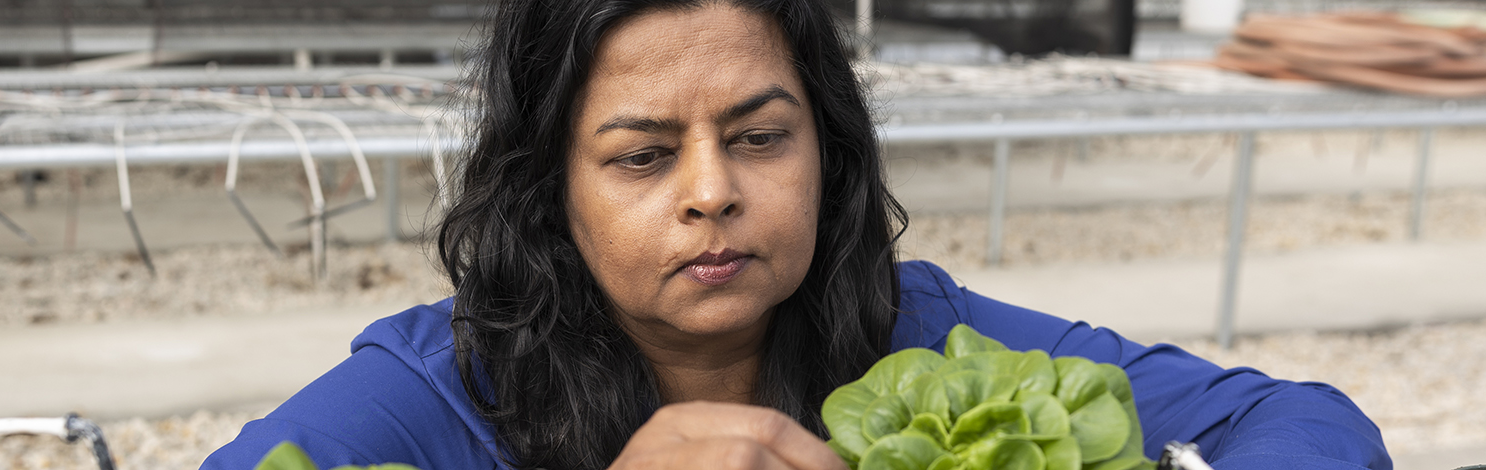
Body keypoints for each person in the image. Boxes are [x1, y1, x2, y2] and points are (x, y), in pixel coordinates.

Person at [203, 0, 1392, 469]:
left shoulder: (923, 333)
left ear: (830, 148)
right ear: (546, 187)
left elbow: (1309, 424)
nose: (712, 192)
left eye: (762, 137)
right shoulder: (436, 393)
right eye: (642, 155)